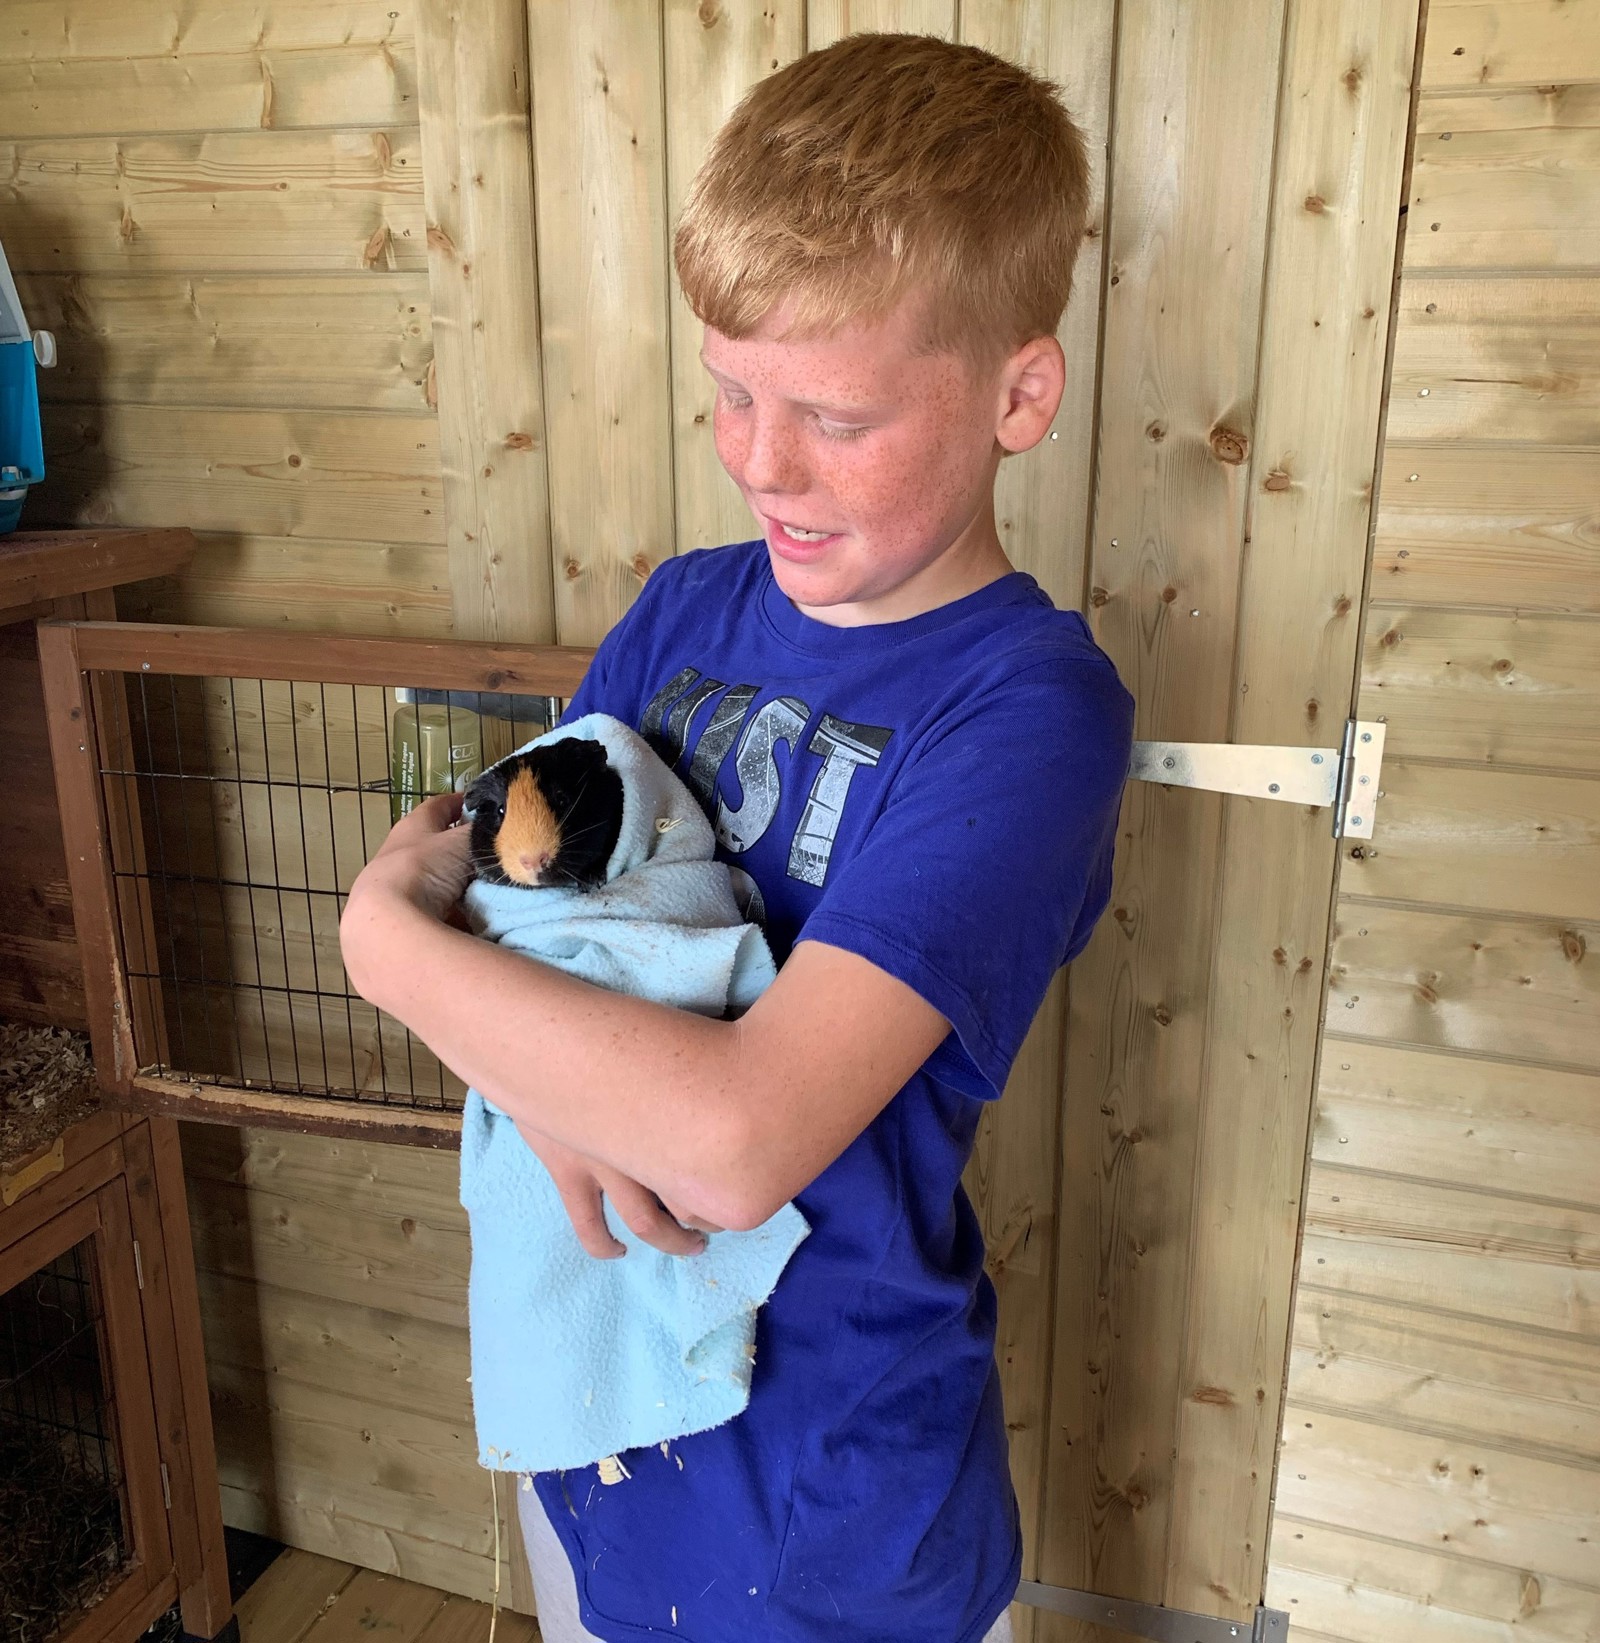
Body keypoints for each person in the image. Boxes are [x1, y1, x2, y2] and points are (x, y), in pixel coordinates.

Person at [340, 31, 1135, 1643]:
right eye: (730, 393)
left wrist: (378, 937)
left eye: (835, 416)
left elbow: (733, 1138)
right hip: (599, 1417)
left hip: (833, 1496)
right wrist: (513, 1031)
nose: (762, 462)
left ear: (1019, 394)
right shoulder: (687, 607)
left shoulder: (1029, 710)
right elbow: (522, 894)